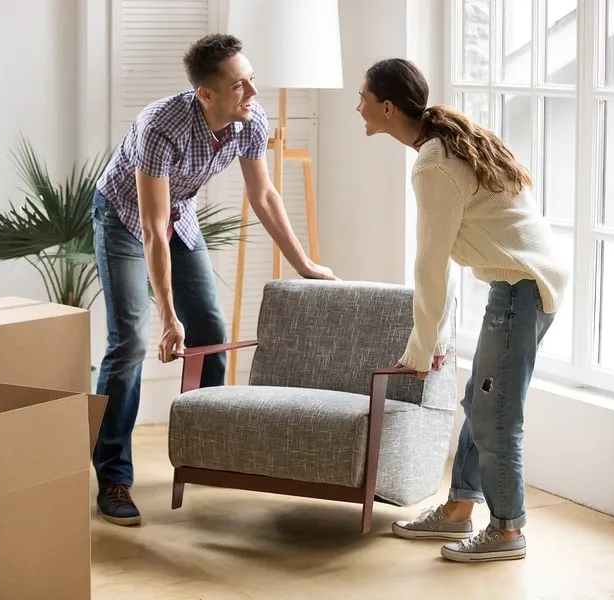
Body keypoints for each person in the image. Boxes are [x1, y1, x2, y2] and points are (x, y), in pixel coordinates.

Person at [92, 33, 337, 526]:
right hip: (123, 217)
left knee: (211, 333)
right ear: (206, 94)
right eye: (240, 85)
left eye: (252, 81)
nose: (252, 93)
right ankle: (113, 475)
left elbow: (264, 197)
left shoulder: (249, 119)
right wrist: (167, 317)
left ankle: (204, 450)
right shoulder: (160, 126)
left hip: (177, 213)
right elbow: (152, 228)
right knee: (130, 343)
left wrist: (303, 264)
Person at [356, 58, 569, 563]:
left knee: (496, 417)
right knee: (480, 403)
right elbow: (444, 259)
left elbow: (431, 265)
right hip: (519, 285)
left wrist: (421, 347)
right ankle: (457, 510)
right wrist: (429, 339)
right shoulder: (440, 146)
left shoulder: (433, 164)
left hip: (521, 288)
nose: (358, 107)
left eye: (363, 98)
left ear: (387, 107)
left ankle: (507, 530)